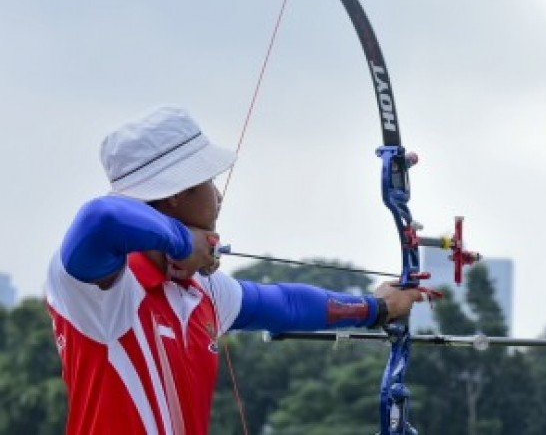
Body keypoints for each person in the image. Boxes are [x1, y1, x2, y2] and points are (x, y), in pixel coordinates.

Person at [45, 106, 423, 434]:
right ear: (176, 193)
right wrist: (181, 242)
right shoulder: (103, 291)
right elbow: (100, 217)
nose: (218, 194)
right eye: (208, 182)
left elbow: (284, 305)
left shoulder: (198, 291)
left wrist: (376, 309)